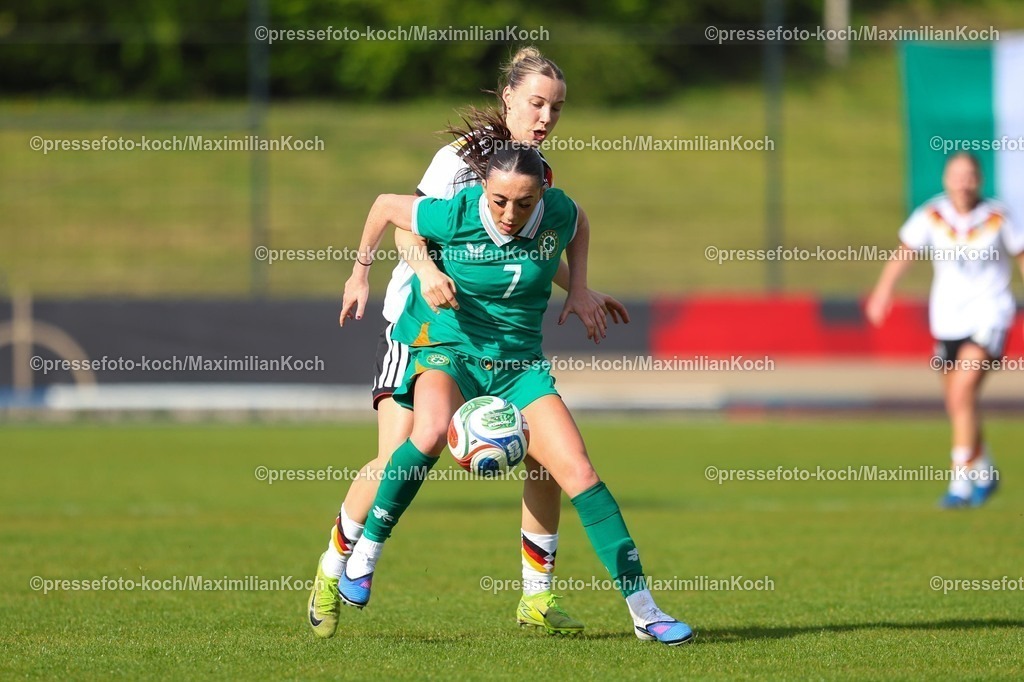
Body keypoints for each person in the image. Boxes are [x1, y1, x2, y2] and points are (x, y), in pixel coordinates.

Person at [308, 47, 631, 639]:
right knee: (397, 456)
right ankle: (334, 568)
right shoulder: (460, 160)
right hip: (427, 325)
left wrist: (579, 289)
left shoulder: (534, 169)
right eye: (536, 103)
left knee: (544, 460)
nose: (545, 117)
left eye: (556, 108)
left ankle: (536, 596)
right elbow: (409, 225)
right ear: (507, 98)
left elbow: (523, 254)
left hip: (493, 338)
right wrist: (424, 272)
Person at [334, 144, 695, 646]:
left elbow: (580, 223)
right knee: (432, 430)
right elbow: (382, 207)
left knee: (579, 471)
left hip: (519, 366)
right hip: (447, 347)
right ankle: (366, 555)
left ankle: (645, 612)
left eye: (524, 203)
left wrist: (582, 287)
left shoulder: (559, 211)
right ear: (484, 189)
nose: (509, 213)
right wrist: (360, 272)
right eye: (500, 200)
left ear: (541, 195)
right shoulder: (456, 212)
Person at [866, 152, 1024, 508]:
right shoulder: (932, 214)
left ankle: (960, 482)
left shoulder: (999, 216)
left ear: (979, 179)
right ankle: (984, 469)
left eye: (969, 175)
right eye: (956, 175)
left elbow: (1021, 255)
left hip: (990, 315)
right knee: (957, 401)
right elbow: (904, 252)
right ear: (945, 179)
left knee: (964, 389)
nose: (963, 182)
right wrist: (882, 293)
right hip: (948, 320)